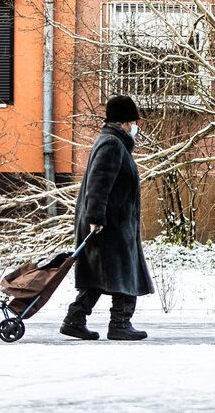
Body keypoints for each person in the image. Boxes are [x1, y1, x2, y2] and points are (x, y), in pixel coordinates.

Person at [60, 95, 154, 341]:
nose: (136, 126)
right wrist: (95, 218)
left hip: (110, 223)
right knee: (125, 273)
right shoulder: (112, 144)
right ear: (125, 122)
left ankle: (75, 320)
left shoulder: (112, 142)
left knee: (100, 274)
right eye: (134, 121)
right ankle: (120, 324)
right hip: (109, 225)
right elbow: (98, 184)